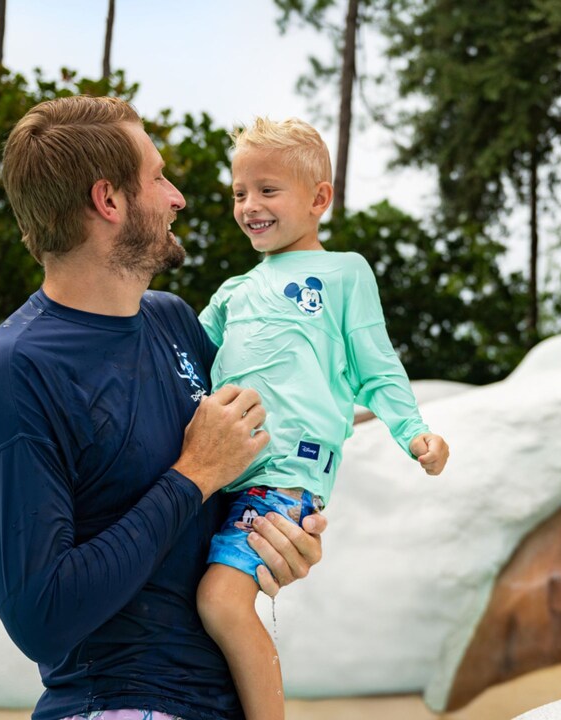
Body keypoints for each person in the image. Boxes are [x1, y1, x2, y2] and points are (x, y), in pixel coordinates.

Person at [0, 96, 327, 720]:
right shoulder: (9, 375)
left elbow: (239, 473)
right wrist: (194, 473)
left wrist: (278, 534)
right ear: (110, 201)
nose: (177, 196)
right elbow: (41, 617)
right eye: (157, 176)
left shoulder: (174, 321)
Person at [194, 117, 450, 720]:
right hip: (218, 475)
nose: (249, 205)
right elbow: (179, 363)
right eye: (239, 193)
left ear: (319, 199)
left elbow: (376, 366)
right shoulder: (232, 291)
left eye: (267, 189)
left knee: (221, 603)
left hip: (285, 476)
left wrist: (415, 432)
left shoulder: (344, 273)